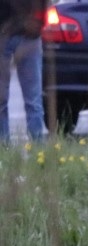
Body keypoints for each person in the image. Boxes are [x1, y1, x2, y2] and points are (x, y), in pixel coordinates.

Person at [0, 0, 47, 144]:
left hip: (21, 35)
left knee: (31, 100)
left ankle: (5, 149)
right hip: (19, 35)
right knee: (33, 100)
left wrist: (39, 23)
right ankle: (38, 153)